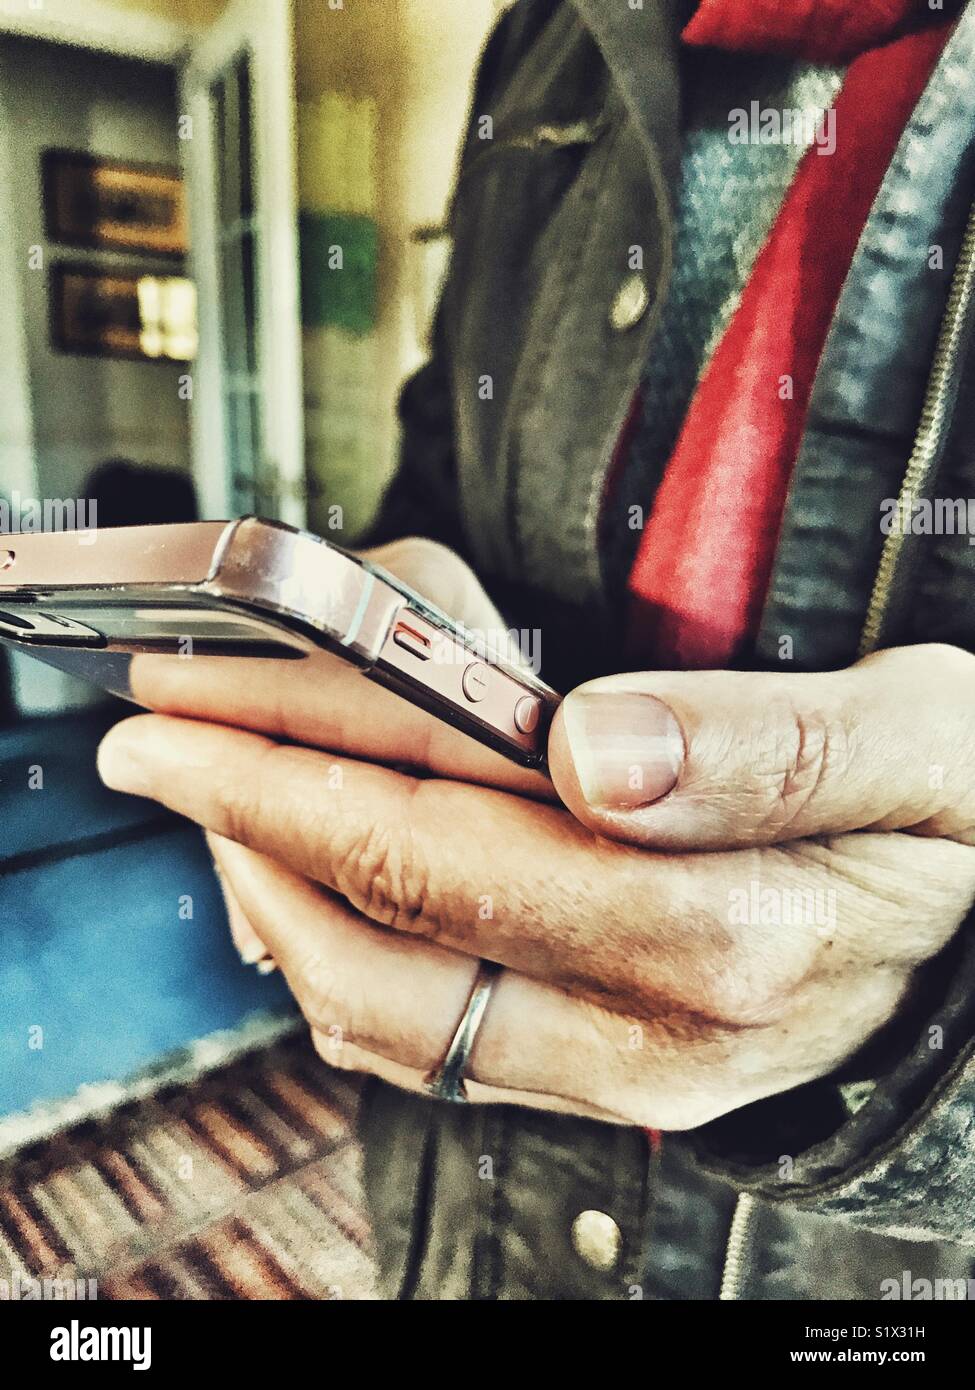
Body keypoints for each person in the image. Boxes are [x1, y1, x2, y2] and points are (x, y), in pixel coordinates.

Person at [97, 0, 975, 1299]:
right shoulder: (542, 37)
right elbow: (435, 462)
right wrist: (388, 597)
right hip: (467, 1209)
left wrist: (936, 1050)